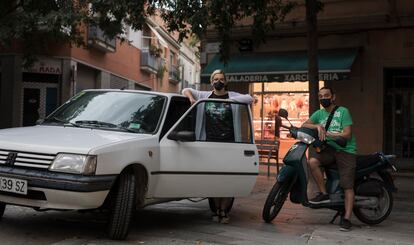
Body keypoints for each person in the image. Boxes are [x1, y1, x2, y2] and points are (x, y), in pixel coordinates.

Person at [182, 69, 253, 224]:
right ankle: (216, 210)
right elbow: (185, 90)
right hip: (209, 144)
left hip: (230, 144)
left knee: (228, 180)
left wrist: (231, 102)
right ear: (212, 81)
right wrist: (192, 100)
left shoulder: (232, 95)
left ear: (225, 82)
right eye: (215, 79)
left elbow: (249, 98)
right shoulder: (204, 96)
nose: (218, 82)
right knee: (214, 180)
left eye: (221, 79)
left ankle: (224, 210)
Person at [302, 87, 357, 232]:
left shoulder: (343, 111)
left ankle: (346, 218)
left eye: (326, 95)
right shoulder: (319, 113)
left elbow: (347, 134)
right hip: (330, 151)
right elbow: (304, 125)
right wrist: (317, 126)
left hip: (346, 151)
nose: (323, 98)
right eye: (320, 96)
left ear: (333, 97)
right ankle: (324, 193)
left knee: (347, 185)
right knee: (312, 161)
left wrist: (329, 134)